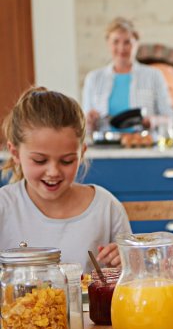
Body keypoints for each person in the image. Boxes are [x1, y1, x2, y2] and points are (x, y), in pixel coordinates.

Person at [0, 87, 131, 270]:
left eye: (67, 161)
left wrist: (126, 262)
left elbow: (134, 279)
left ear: (82, 153)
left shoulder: (106, 207)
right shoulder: (4, 207)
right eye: (40, 160)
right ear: (15, 153)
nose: (53, 172)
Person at [82, 17, 173, 133]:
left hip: (144, 145)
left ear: (136, 43)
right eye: (116, 42)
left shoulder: (154, 76)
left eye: (127, 42)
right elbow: (84, 126)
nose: (121, 48)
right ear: (108, 43)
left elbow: (169, 118)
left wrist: (153, 121)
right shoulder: (93, 78)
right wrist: (90, 120)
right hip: (105, 146)